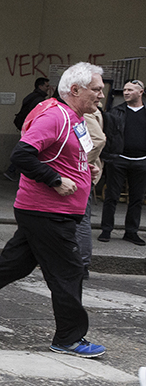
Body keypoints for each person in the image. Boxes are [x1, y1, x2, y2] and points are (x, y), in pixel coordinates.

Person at [0, 62, 107, 357]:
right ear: (75, 89)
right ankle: (69, 338)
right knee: (69, 272)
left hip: (54, 211)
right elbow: (22, 154)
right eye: (96, 89)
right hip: (47, 211)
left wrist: (86, 168)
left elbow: (63, 154)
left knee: (14, 264)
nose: (101, 96)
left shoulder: (75, 117)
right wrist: (55, 180)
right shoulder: (55, 116)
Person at [99, 79, 146, 246]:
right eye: (125, 90)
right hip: (119, 159)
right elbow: (107, 136)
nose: (126, 92)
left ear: (141, 92)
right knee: (112, 195)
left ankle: (131, 232)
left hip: (141, 161)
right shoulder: (115, 112)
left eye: (130, 90)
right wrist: (108, 156)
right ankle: (106, 229)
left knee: (136, 198)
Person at [77, 107, 105, 278]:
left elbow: (98, 139)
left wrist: (79, 164)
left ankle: (81, 265)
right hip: (85, 172)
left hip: (82, 173)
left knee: (81, 219)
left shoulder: (85, 111)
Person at [6, 77, 52, 179]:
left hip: (25, 126)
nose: (48, 88)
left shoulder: (31, 96)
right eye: (46, 86)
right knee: (27, 151)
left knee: (25, 149)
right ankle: (12, 170)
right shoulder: (39, 100)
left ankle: (12, 170)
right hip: (31, 128)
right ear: (40, 86)